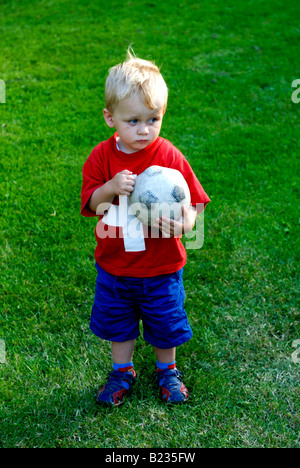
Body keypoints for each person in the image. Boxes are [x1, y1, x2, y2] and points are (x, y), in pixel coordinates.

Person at [81, 48, 210, 406]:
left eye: (153, 119)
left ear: (162, 115)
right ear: (110, 118)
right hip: (116, 266)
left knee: (164, 323)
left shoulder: (168, 156)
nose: (144, 129)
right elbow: (92, 204)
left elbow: (193, 203)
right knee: (117, 324)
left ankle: (167, 370)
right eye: (132, 121)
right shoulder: (102, 157)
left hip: (161, 266)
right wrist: (110, 188)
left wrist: (183, 224)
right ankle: (122, 371)